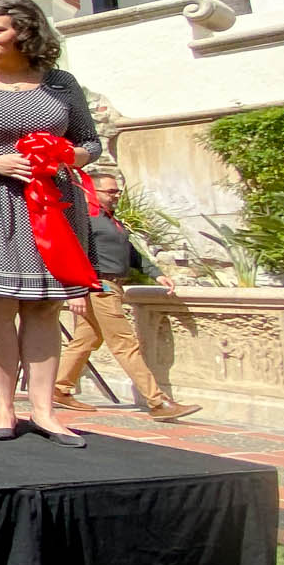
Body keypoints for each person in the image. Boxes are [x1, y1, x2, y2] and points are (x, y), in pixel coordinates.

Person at [0, 0, 100, 447]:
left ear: (25, 32)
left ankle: (45, 412)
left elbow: (90, 142)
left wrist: (64, 155)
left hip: (53, 208)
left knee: (45, 307)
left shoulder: (61, 84)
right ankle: (3, 409)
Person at [55, 169, 201, 421]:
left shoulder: (109, 220)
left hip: (109, 286)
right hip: (100, 287)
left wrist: (156, 274)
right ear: (92, 191)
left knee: (87, 339)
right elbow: (71, 253)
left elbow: (131, 252)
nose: (116, 195)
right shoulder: (85, 219)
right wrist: (74, 289)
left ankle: (59, 388)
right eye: (110, 191)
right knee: (125, 343)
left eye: (118, 191)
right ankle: (157, 402)